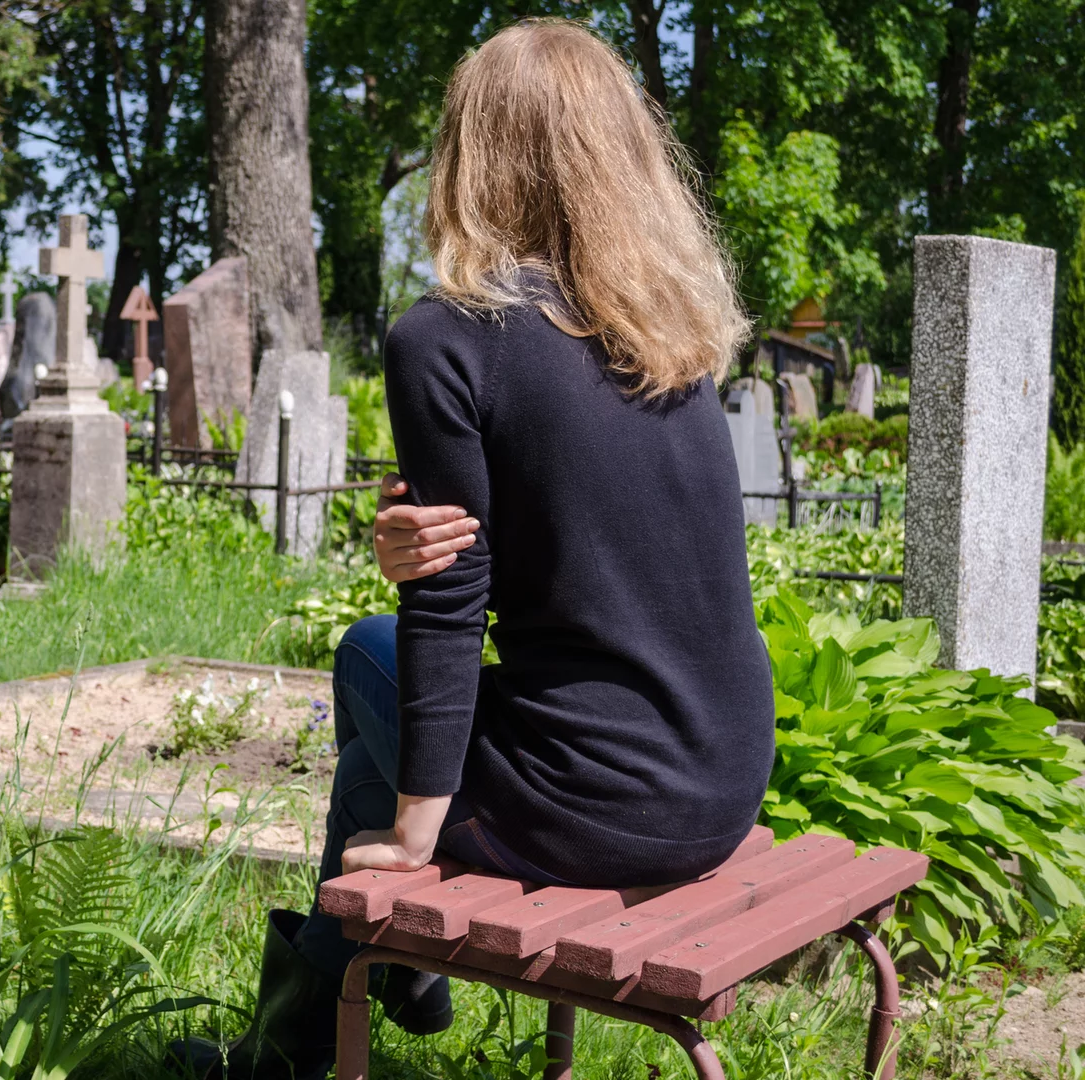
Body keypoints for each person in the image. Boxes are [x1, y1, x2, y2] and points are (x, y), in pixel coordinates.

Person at [172, 18, 775, 1079]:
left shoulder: (445, 337)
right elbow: (599, 536)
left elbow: (452, 606)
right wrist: (428, 524)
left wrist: (415, 837)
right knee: (371, 699)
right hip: (723, 777)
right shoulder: (669, 339)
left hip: (606, 800)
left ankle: (297, 1045)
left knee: (369, 699)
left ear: (475, 151)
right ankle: (347, 1009)